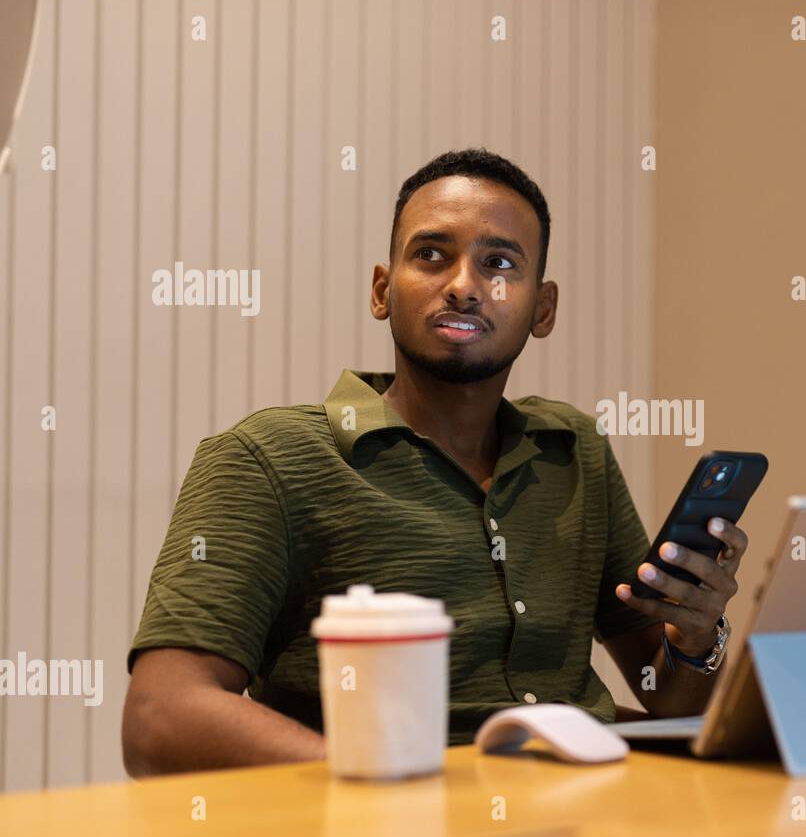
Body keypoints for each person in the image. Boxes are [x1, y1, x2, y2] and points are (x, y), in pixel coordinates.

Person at [122, 148, 750, 776]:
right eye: (430, 255)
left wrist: (696, 637)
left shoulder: (575, 450)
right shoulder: (268, 458)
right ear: (381, 289)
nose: (463, 285)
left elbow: (665, 698)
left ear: (542, 309)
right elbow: (161, 717)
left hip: (590, 814)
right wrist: (395, 781)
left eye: (498, 263)